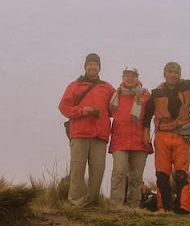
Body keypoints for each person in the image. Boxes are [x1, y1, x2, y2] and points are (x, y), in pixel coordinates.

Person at [58, 53, 115, 207]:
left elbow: (116, 107)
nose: (92, 67)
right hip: (79, 134)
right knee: (77, 170)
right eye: (90, 64)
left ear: (99, 67)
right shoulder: (74, 85)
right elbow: (63, 107)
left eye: (95, 64)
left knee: (98, 171)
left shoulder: (108, 87)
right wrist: (82, 111)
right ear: (85, 66)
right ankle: (76, 203)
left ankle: (92, 203)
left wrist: (138, 92)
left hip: (100, 135)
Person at [143, 62, 190, 214]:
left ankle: (183, 207)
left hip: (181, 135)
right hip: (161, 136)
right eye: (170, 71)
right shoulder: (156, 93)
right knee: (162, 174)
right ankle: (164, 208)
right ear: (164, 74)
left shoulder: (188, 87)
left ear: (180, 74)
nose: (173, 74)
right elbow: (147, 115)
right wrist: (146, 132)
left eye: (176, 72)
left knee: (181, 174)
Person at [108, 66, 153, 208]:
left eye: (133, 75)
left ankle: (134, 206)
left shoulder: (145, 95)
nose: (130, 78)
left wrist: (147, 132)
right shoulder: (115, 95)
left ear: (137, 77)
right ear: (122, 77)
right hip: (120, 140)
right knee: (119, 173)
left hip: (140, 140)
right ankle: (116, 206)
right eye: (127, 75)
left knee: (136, 176)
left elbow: (149, 115)